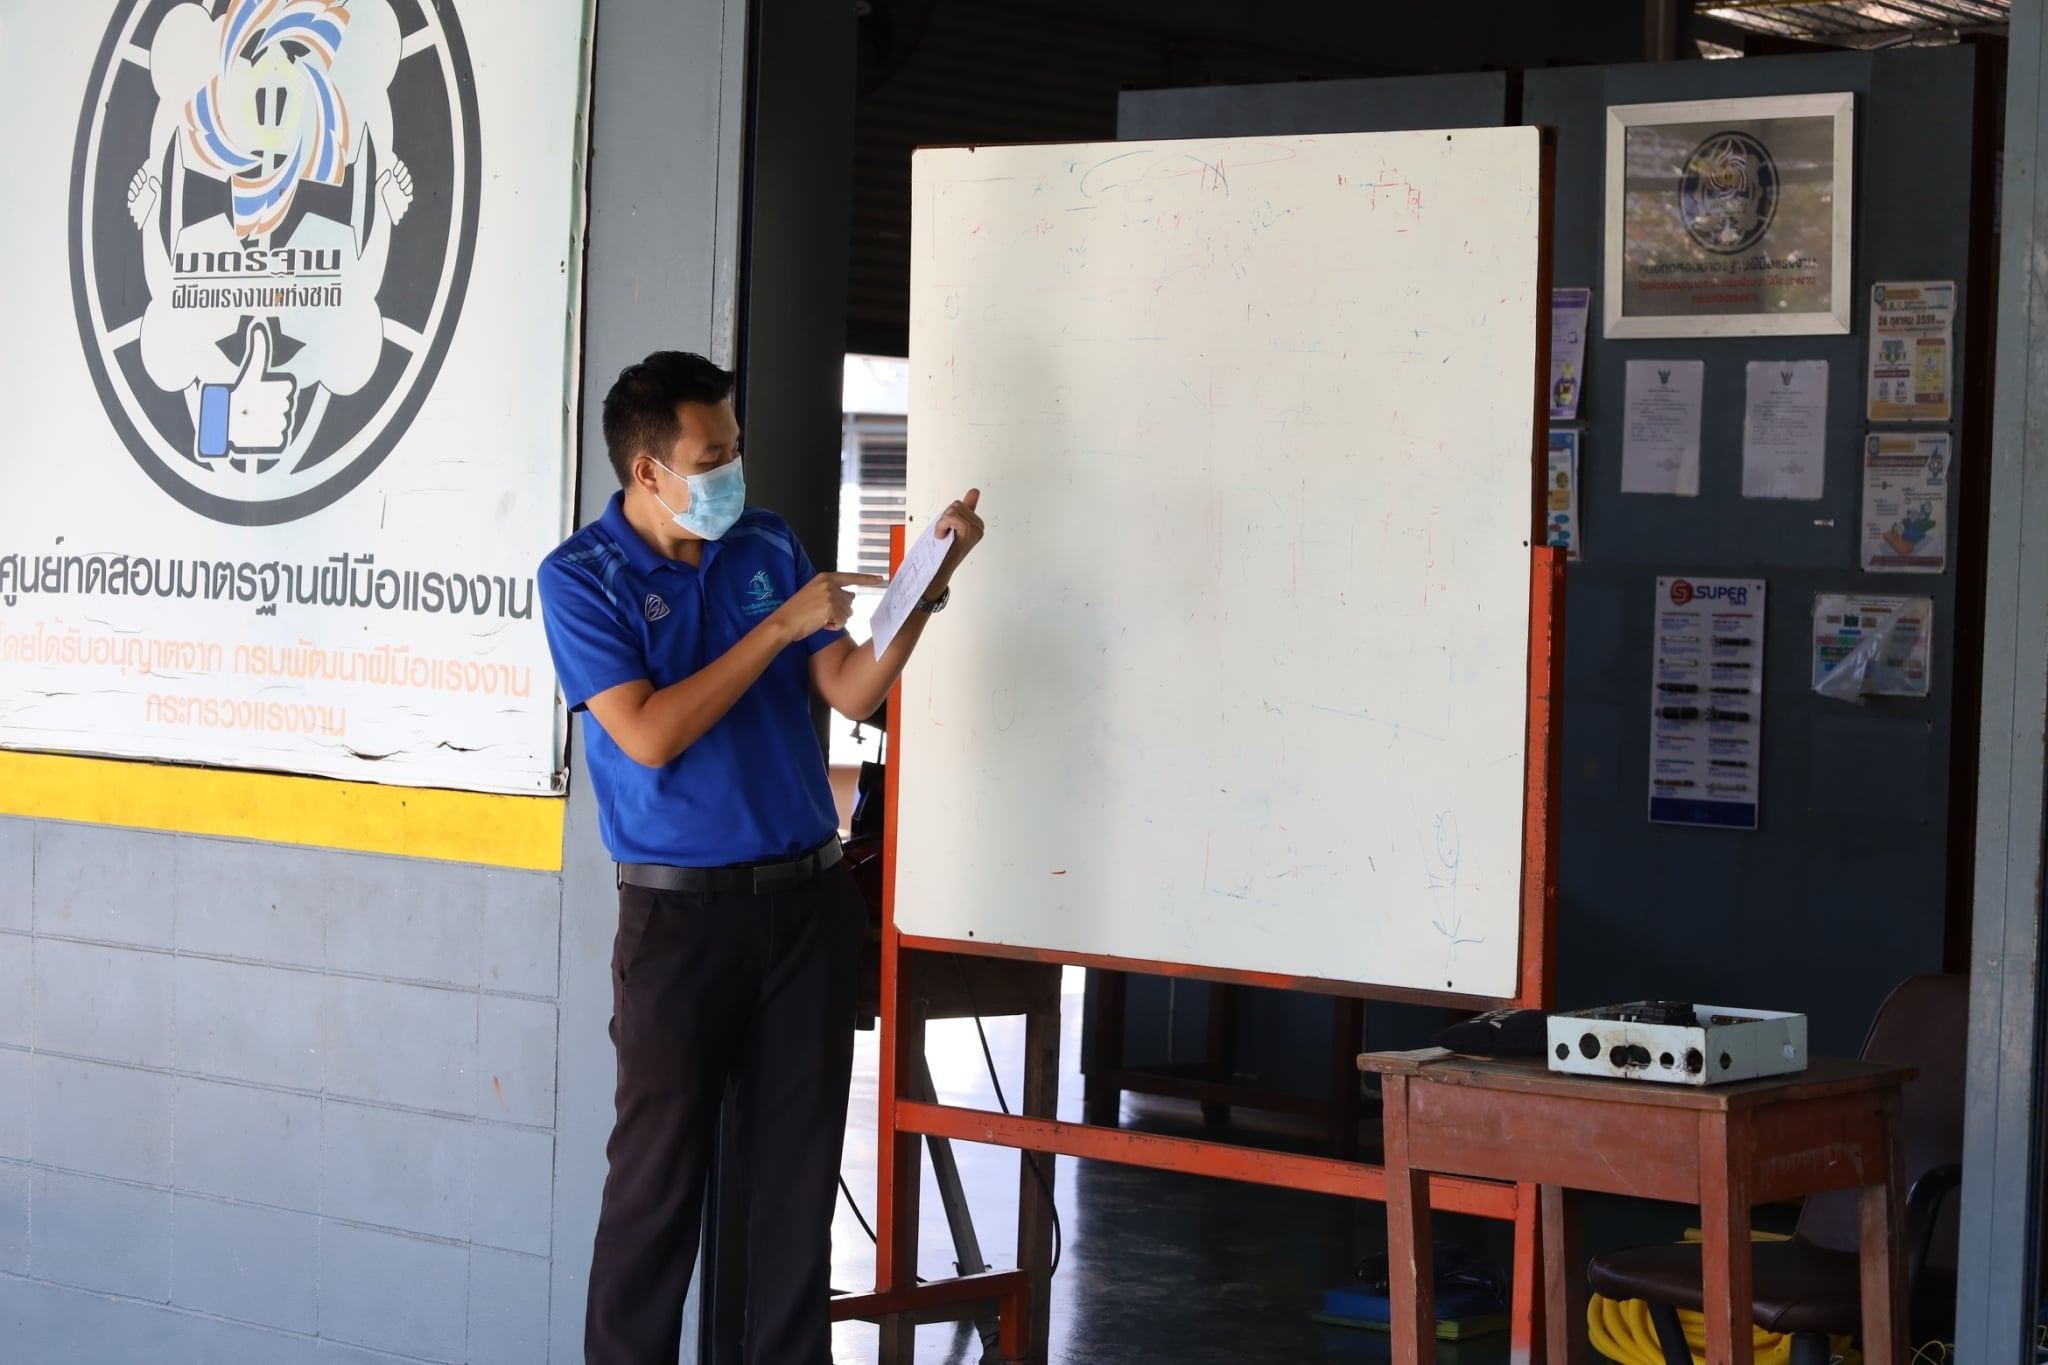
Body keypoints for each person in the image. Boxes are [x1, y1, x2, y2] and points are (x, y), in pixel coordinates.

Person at [536, 350, 984, 1364]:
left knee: (790, 1193)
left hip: (803, 911)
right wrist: (777, 627)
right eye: (712, 455)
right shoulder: (580, 580)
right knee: (655, 1194)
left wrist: (926, 585)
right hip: (678, 924)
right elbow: (648, 734)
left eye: (734, 448)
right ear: (647, 471)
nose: (734, 471)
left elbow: (853, 690)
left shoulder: (765, 541)